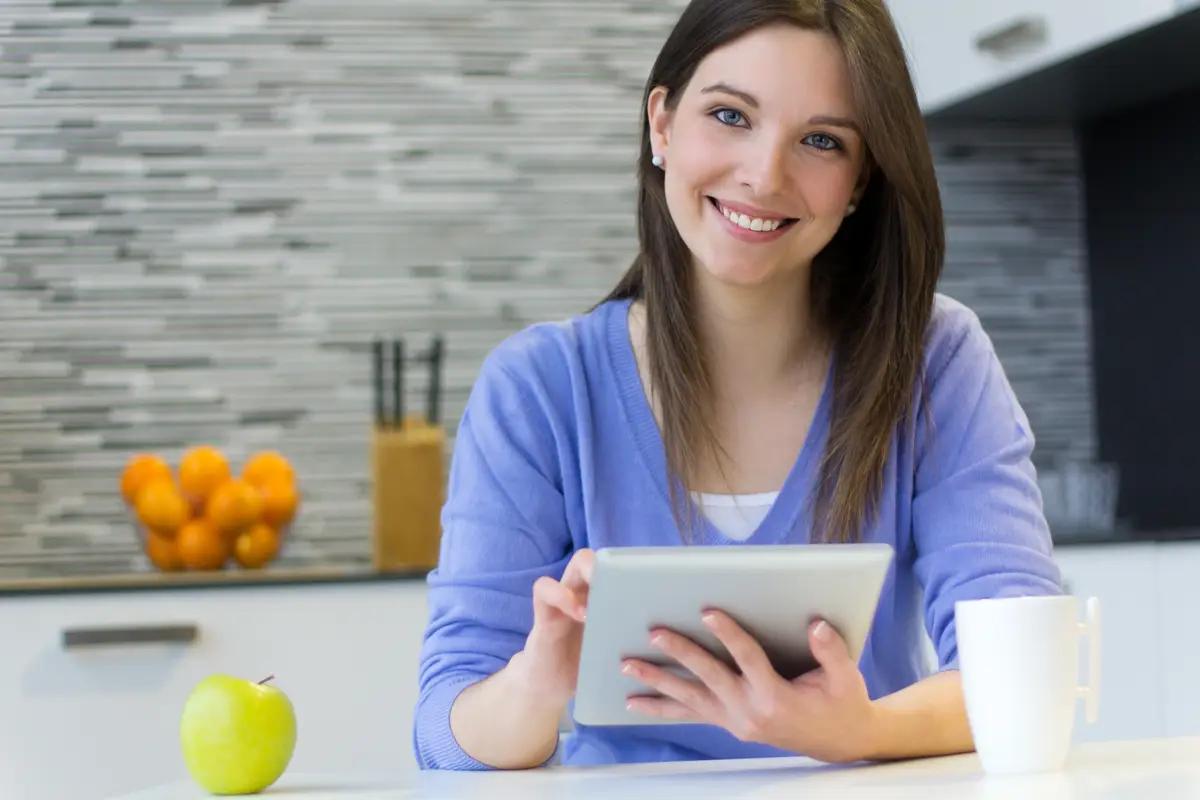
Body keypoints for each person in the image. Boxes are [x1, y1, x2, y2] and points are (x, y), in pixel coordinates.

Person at [412, 0, 1062, 772]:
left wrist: (858, 732)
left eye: (821, 141)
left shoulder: (934, 360)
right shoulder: (539, 389)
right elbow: (445, 732)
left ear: (859, 180)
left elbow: (1027, 669)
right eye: (729, 116)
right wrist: (536, 682)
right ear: (662, 124)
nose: (763, 174)